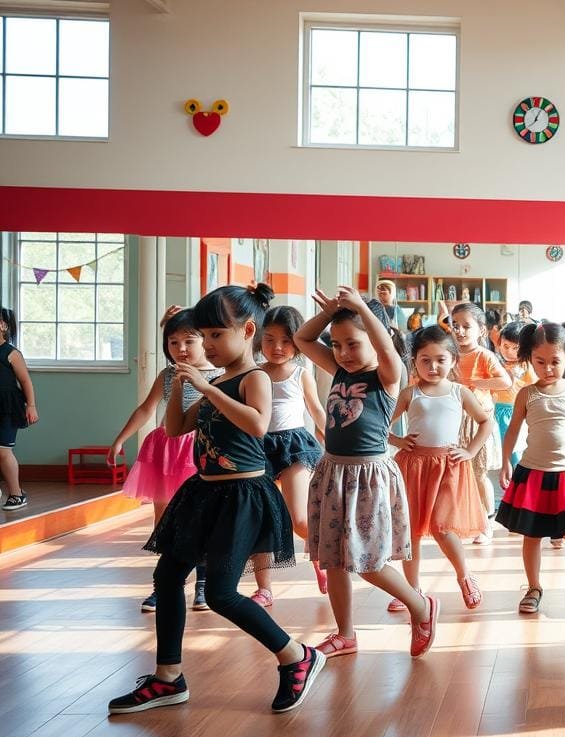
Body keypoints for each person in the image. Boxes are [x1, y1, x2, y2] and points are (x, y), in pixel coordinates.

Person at [108, 284, 326, 715]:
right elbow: (175, 430)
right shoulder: (217, 378)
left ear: (247, 331)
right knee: (168, 577)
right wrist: (179, 386)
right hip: (204, 491)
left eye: (215, 336)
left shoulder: (254, 377)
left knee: (223, 593)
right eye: (202, 336)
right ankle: (168, 676)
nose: (206, 345)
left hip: (242, 495)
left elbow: (258, 425)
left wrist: (208, 390)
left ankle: (297, 656)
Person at [297, 288, 438, 661]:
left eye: (353, 343)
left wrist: (361, 307)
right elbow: (303, 338)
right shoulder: (340, 368)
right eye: (338, 344)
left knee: (368, 563)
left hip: (367, 478)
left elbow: (388, 352)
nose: (343, 352)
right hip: (332, 471)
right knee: (332, 557)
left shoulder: (388, 376)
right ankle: (345, 634)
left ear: (376, 340)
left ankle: (419, 605)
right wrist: (330, 314)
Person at [110, 308, 223, 612]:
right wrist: (121, 438)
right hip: (166, 450)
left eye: (189, 341)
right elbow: (146, 409)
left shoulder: (219, 374)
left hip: (200, 451)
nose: (181, 349)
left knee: (201, 518)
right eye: (173, 342)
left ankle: (202, 582)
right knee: (164, 519)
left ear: (206, 341)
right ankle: (165, 584)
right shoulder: (169, 373)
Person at [496, 321, 565, 614]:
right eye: (540, 362)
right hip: (532, 474)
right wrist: (506, 460)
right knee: (531, 535)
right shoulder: (526, 394)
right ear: (530, 359)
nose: (547, 368)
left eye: (554, 362)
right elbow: (512, 431)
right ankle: (533, 586)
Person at [390, 325, 492, 611]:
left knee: (441, 527)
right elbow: (380, 425)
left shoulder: (460, 392)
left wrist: (470, 450)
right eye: (425, 360)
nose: (433, 366)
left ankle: (465, 575)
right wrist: (398, 440)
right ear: (415, 362)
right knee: (409, 531)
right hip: (413, 466)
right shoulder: (410, 393)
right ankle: (412, 590)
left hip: (448, 466)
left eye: (440, 359)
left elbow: (486, 422)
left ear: (453, 360)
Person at [253, 306, 328, 604]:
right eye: (270, 339)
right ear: (259, 339)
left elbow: (317, 411)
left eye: (286, 340)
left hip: (294, 445)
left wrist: (333, 443)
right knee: (261, 521)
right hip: (259, 448)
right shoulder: (255, 372)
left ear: (298, 342)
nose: (278, 347)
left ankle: (322, 560)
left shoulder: (301, 373)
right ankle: (264, 588)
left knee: (298, 519)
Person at [440, 301, 510, 545]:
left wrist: (474, 383)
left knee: (479, 474)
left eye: (465, 326)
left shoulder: (484, 355)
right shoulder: (449, 354)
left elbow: (505, 382)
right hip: (453, 420)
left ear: (481, 330)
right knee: (456, 473)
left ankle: (486, 522)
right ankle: (462, 520)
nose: (459, 331)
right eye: (455, 325)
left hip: (478, 422)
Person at [0, 306, 37, 512]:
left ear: (3, 326)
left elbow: (25, 381)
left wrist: (31, 405)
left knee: (3, 451)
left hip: (7, 407)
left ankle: (16, 493)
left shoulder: (11, 353)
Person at [494, 321, 536, 470]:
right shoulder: (496, 363)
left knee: (515, 451)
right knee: (498, 450)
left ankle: (518, 481)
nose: (509, 352)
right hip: (494, 411)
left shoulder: (526, 366)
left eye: (515, 348)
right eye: (505, 346)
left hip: (513, 412)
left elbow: (534, 387)